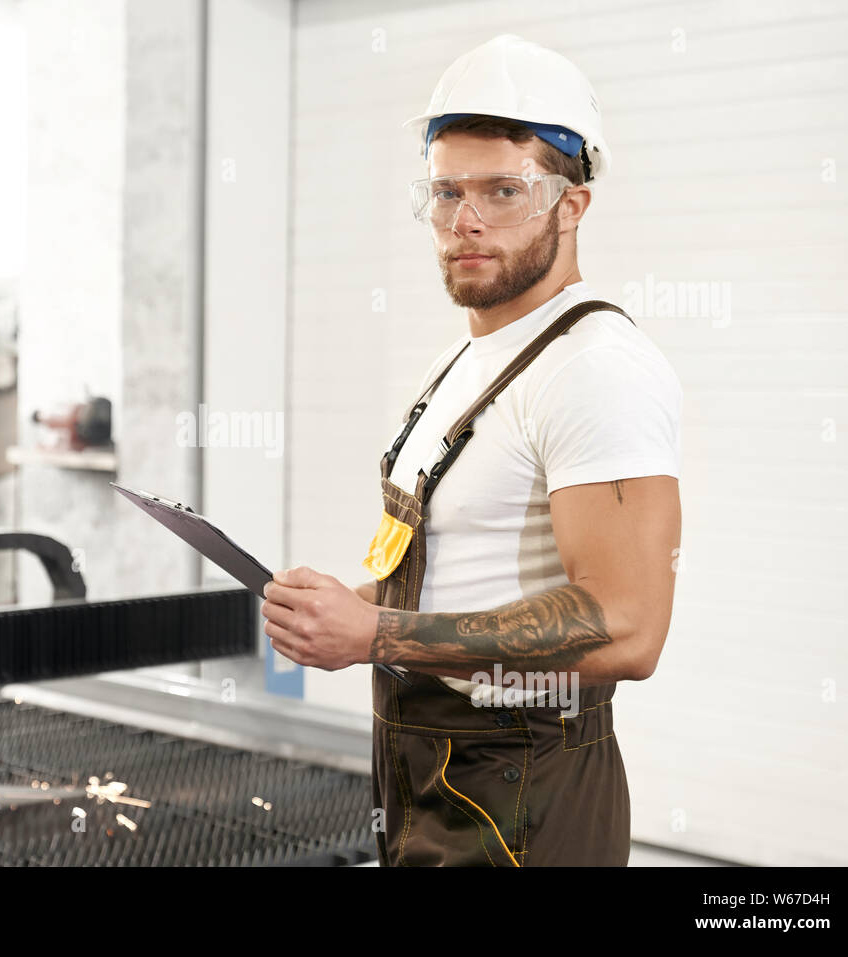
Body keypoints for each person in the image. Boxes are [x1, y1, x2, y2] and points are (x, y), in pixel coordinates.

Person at [260, 34, 683, 866]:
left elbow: (630, 627)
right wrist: (341, 609)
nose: (466, 220)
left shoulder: (596, 368)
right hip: (428, 763)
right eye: (446, 190)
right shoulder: (467, 358)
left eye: (503, 190)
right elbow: (462, 559)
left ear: (572, 203)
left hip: (524, 785)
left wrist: (378, 632)